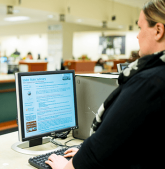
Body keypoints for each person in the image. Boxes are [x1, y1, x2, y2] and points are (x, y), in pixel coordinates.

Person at [45, 0, 165, 168]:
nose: (137, 35)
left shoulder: (149, 81)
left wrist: (64, 166)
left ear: (158, 30)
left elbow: (103, 145)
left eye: (140, 27)